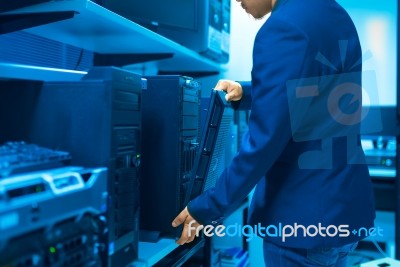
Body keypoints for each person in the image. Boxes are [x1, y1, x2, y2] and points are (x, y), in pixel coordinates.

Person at [172, 0, 376, 266]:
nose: (236, 0)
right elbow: (317, 90)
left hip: (302, 224)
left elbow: (263, 143)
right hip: (342, 214)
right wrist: (249, 91)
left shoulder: (281, 29)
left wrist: (207, 206)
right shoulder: (331, 11)